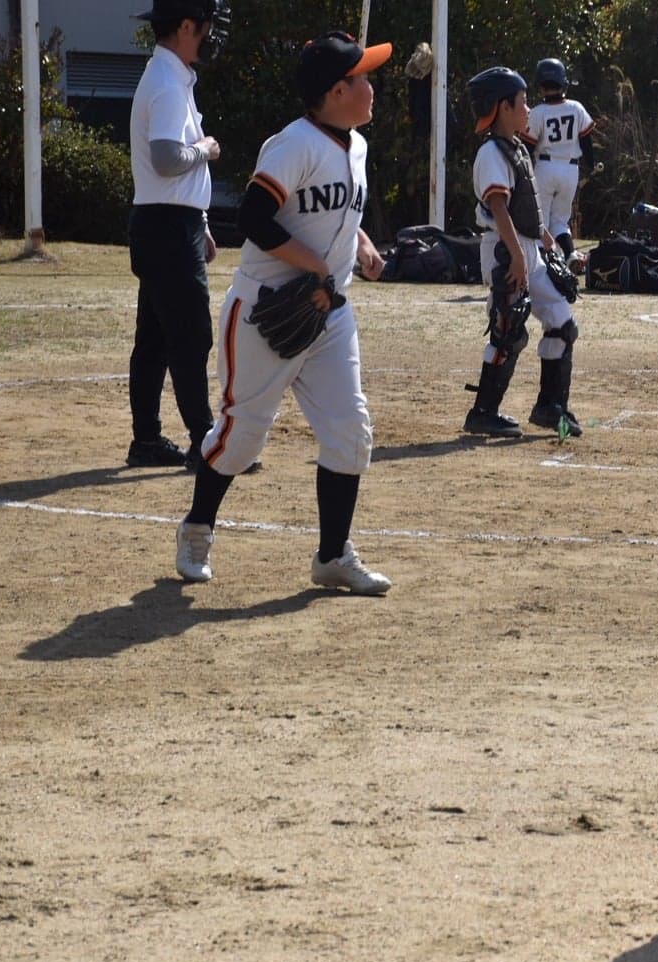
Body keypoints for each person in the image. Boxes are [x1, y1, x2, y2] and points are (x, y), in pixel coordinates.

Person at [173, 31, 393, 596]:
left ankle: (332, 556)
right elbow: (254, 217)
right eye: (362, 78)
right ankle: (198, 528)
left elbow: (334, 210)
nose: (371, 87)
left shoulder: (355, 144)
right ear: (337, 90)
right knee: (241, 438)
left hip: (328, 315)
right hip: (268, 311)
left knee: (351, 432)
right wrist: (316, 263)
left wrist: (360, 244)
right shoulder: (292, 145)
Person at [126, 0, 230, 469]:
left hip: (165, 221)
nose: (210, 35)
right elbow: (168, 159)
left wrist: (202, 223)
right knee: (191, 336)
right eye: (206, 26)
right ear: (187, 26)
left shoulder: (169, 77)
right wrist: (205, 150)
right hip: (167, 226)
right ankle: (205, 442)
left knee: (156, 337)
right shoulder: (168, 84)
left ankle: (146, 438)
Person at [462, 67, 583, 439]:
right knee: (509, 328)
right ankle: (483, 413)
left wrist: (546, 239)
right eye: (522, 102)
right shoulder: (491, 153)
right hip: (504, 248)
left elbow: (525, 209)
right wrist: (516, 256)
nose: (528, 109)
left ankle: (550, 407)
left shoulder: (515, 146)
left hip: (527, 247)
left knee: (563, 323)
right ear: (502, 107)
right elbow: (499, 209)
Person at [522, 58, 596, 264]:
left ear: (541, 85)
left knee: (541, 220)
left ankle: (543, 261)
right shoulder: (576, 108)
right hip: (570, 168)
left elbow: (528, 146)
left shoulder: (537, 113)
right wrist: (590, 165)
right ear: (563, 82)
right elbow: (586, 141)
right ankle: (570, 254)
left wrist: (523, 172)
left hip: (545, 167)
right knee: (561, 220)